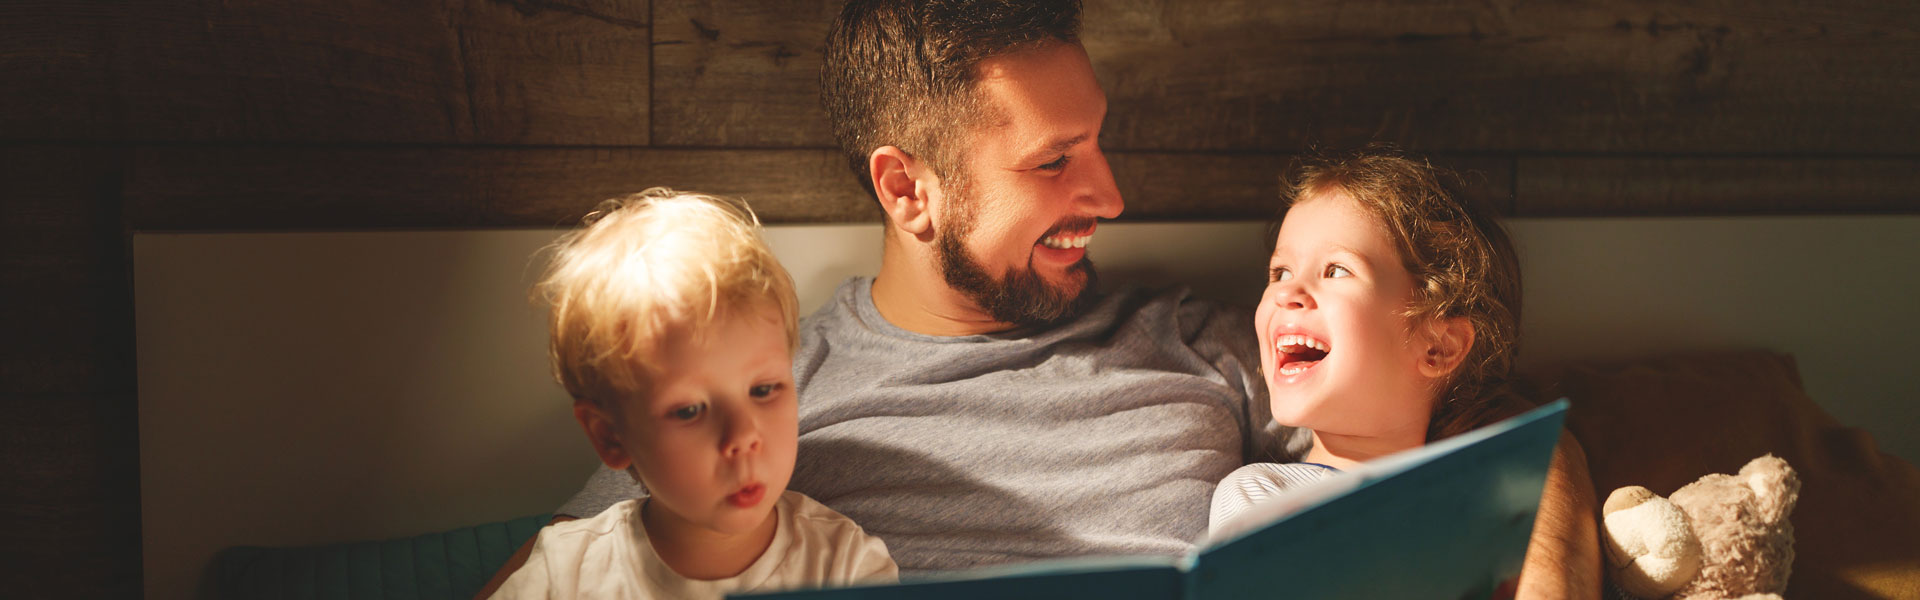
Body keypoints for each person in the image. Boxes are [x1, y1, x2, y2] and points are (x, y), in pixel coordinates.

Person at [487, 1, 1598, 597]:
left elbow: (1504, 434)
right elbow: (573, 568)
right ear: (908, 189)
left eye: (1099, 142)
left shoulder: (1204, 343)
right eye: (1052, 161)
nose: (1110, 194)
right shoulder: (764, 399)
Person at [1210, 152, 1600, 597]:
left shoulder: (1488, 513)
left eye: (1336, 269)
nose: (1288, 293)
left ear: (1438, 347)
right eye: (1279, 272)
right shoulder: (1260, 498)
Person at [491, 189, 897, 599]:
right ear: (610, 436)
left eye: (763, 389)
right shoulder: (566, 575)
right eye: (689, 410)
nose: (742, 436)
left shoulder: (845, 567)